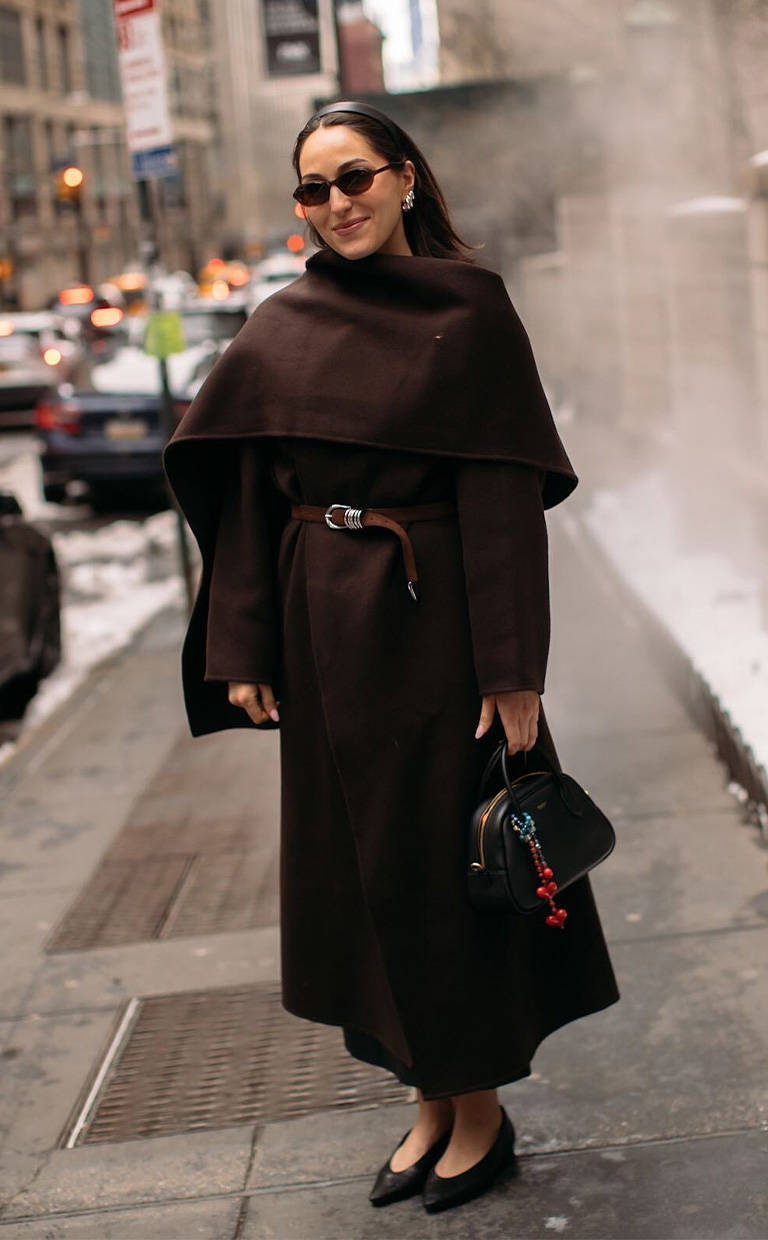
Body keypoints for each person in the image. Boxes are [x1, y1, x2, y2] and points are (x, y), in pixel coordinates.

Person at [163, 100, 620, 1215]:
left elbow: (504, 499)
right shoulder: (282, 326)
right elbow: (248, 500)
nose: (336, 205)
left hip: (441, 636)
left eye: (354, 178)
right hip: (325, 640)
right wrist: (243, 645)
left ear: (406, 178)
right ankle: (426, 1098)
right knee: (358, 882)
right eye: (312, 191)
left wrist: (512, 665)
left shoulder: (471, 314)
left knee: (441, 876)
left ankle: (479, 1111)